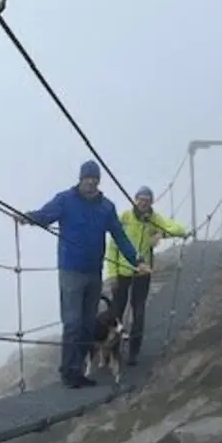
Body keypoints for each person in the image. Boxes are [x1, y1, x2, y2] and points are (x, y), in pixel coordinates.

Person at [21, 160, 149, 388]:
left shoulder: (106, 207)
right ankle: (69, 372)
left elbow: (119, 236)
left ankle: (79, 371)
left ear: (98, 181)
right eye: (87, 178)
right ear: (80, 179)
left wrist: (137, 260)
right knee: (72, 323)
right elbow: (45, 215)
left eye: (94, 178)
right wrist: (27, 217)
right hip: (71, 270)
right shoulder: (65, 200)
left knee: (88, 324)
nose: (91, 182)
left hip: (93, 271)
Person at [105, 186, 188, 366]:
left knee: (139, 311)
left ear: (151, 202)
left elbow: (180, 229)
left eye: (147, 200)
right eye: (140, 199)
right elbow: (112, 247)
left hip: (143, 272)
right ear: (135, 200)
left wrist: (161, 233)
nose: (143, 203)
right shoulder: (124, 218)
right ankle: (113, 351)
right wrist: (112, 274)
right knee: (116, 313)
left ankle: (133, 352)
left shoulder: (153, 219)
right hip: (121, 271)